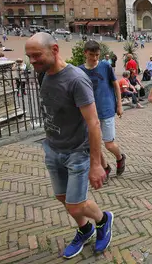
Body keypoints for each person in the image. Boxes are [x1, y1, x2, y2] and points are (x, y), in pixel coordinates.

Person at [24, 33, 113, 259]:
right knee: (62, 197)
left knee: (75, 205)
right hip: (53, 148)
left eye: (37, 55)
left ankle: (103, 220)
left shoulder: (76, 79)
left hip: (77, 152)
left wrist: (96, 164)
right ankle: (85, 230)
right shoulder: (43, 74)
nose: (32, 61)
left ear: (54, 50)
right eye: (29, 57)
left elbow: (93, 123)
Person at [79, 41, 126, 183]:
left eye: (97, 55)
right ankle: (105, 167)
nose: (94, 58)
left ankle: (120, 157)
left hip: (106, 109)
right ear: (85, 53)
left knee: (109, 144)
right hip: (90, 113)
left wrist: (119, 104)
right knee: (93, 145)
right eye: (91, 55)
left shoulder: (105, 66)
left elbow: (115, 85)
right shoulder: (79, 70)